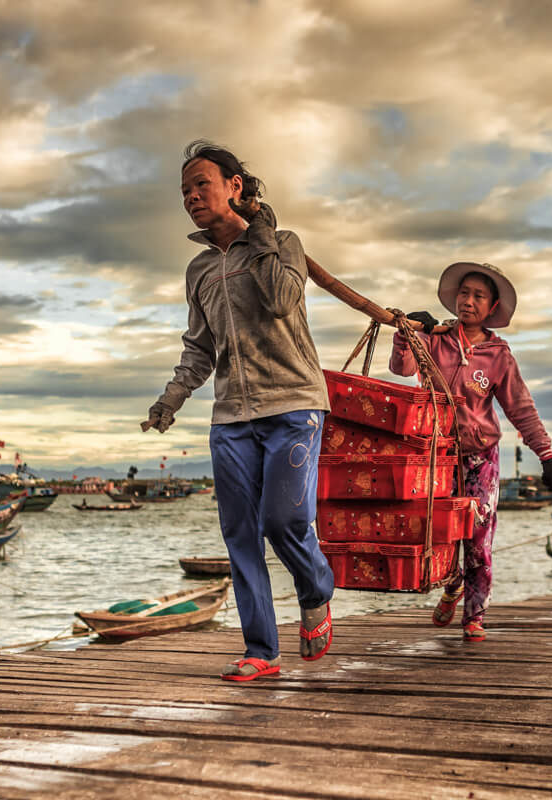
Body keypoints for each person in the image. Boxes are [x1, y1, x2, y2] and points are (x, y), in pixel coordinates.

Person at [144, 140, 334, 682]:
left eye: (202, 183)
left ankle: (317, 590)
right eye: (184, 190)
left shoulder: (284, 246)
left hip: (293, 404)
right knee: (241, 534)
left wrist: (264, 229)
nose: (191, 196)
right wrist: (171, 399)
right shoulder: (199, 269)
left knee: (285, 520)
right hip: (230, 418)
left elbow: (279, 300)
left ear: (235, 186)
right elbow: (200, 348)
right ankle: (261, 651)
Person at [390, 262, 552, 642]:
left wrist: (546, 456)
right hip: (437, 455)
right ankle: (452, 587)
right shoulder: (433, 338)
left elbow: (520, 407)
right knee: (440, 534)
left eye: (478, 296)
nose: (468, 301)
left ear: (492, 307)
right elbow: (401, 368)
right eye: (464, 293)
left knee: (479, 536)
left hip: (481, 457)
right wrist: (407, 333)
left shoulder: (498, 355)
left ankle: (475, 615)